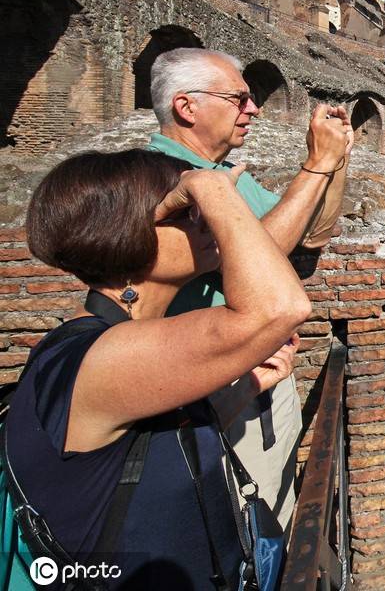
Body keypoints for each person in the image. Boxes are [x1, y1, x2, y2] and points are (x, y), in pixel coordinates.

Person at [9, 149, 311, 588]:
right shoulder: (93, 354)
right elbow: (281, 307)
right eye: (186, 212)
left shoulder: (122, 344)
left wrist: (239, 391)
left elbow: (145, 451)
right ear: (123, 231)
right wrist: (213, 187)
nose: (203, 221)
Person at [146, 48, 353, 533]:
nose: (254, 108)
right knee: (240, 527)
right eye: (238, 98)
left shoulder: (226, 176)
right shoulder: (159, 176)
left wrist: (336, 162)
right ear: (186, 107)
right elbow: (263, 253)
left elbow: (313, 234)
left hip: (258, 384)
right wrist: (316, 166)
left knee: (275, 511)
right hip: (209, 398)